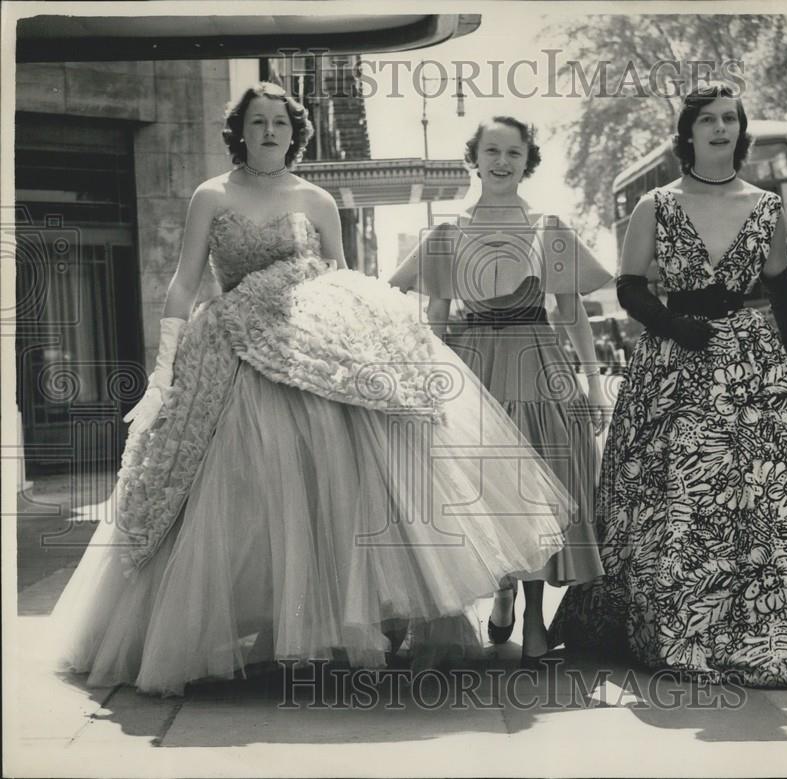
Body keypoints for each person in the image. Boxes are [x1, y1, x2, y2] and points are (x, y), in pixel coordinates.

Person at [51, 83, 576, 696]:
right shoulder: (211, 195)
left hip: (320, 344)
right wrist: (164, 369)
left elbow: (344, 276)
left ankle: (356, 619)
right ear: (240, 132)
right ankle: (253, 626)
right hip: (235, 351)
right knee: (245, 487)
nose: (269, 131)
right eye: (257, 121)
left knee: (349, 475)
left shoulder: (317, 198)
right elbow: (184, 280)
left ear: (294, 132)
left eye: (279, 121)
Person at [547, 85, 787, 688]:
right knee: (673, 497)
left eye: (729, 119)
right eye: (707, 120)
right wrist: (672, 324)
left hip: (747, 361)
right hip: (671, 362)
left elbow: (783, 291)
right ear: (687, 134)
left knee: (772, 498)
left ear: (740, 131)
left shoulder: (765, 206)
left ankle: (765, 626)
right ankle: (678, 622)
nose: (719, 128)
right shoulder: (656, 205)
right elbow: (631, 286)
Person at [389, 116, 611, 667]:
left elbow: (573, 312)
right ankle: (501, 590)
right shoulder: (447, 233)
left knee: (537, 489)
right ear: (476, 157)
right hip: (471, 375)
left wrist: (593, 383)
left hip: (537, 369)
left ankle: (533, 615)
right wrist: (425, 385)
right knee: (475, 490)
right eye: (492, 150)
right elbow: (435, 316)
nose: (502, 161)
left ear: (527, 161)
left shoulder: (549, 227)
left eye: (514, 152)